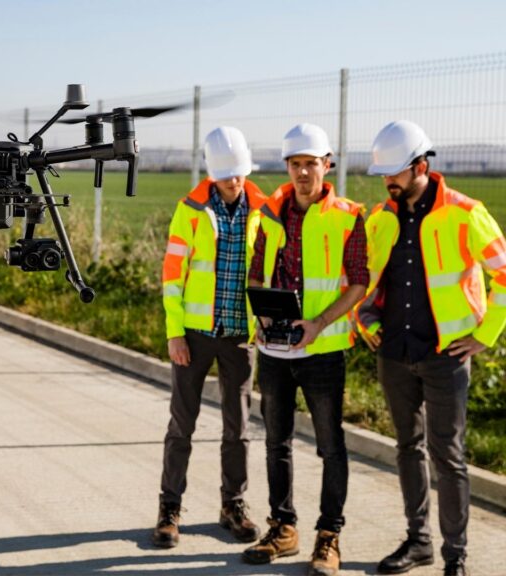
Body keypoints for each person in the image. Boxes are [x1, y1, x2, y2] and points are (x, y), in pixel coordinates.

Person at [356, 120, 506, 576]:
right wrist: (363, 316)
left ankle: (456, 557)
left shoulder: (465, 213)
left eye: (394, 173)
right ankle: (418, 542)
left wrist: (485, 335)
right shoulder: (381, 217)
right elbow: (365, 278)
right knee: (407, 448)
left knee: (448, 457)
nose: (388, 181)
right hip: (393, 352)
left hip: (445, 356)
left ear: (421, 166)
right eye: (383, 174)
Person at [241, 123, 368, 576]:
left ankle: (329, 536)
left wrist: (318, 324)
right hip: (275, 352)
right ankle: (283, 528)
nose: (302, 173)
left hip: (323, 352)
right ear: (287, 168)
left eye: (310, 164)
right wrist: (262, 315)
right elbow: (256, 274)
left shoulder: (349, 216)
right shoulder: (270, 214)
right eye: (295, 165)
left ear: (326, 165)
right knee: (276, 443)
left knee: (331, 447)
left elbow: (359, 284)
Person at [154, 126, 267, 549]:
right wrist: (174, 332)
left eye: (239, 174)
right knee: (182, 425)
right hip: (195, 337)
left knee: (238, 429)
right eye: (226, 176)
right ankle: (169, 510)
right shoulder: (190, 210)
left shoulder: (264, 209)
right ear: (212, 173)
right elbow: (172, 275)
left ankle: (233, 506)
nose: (234, 182)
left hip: (241, 336)